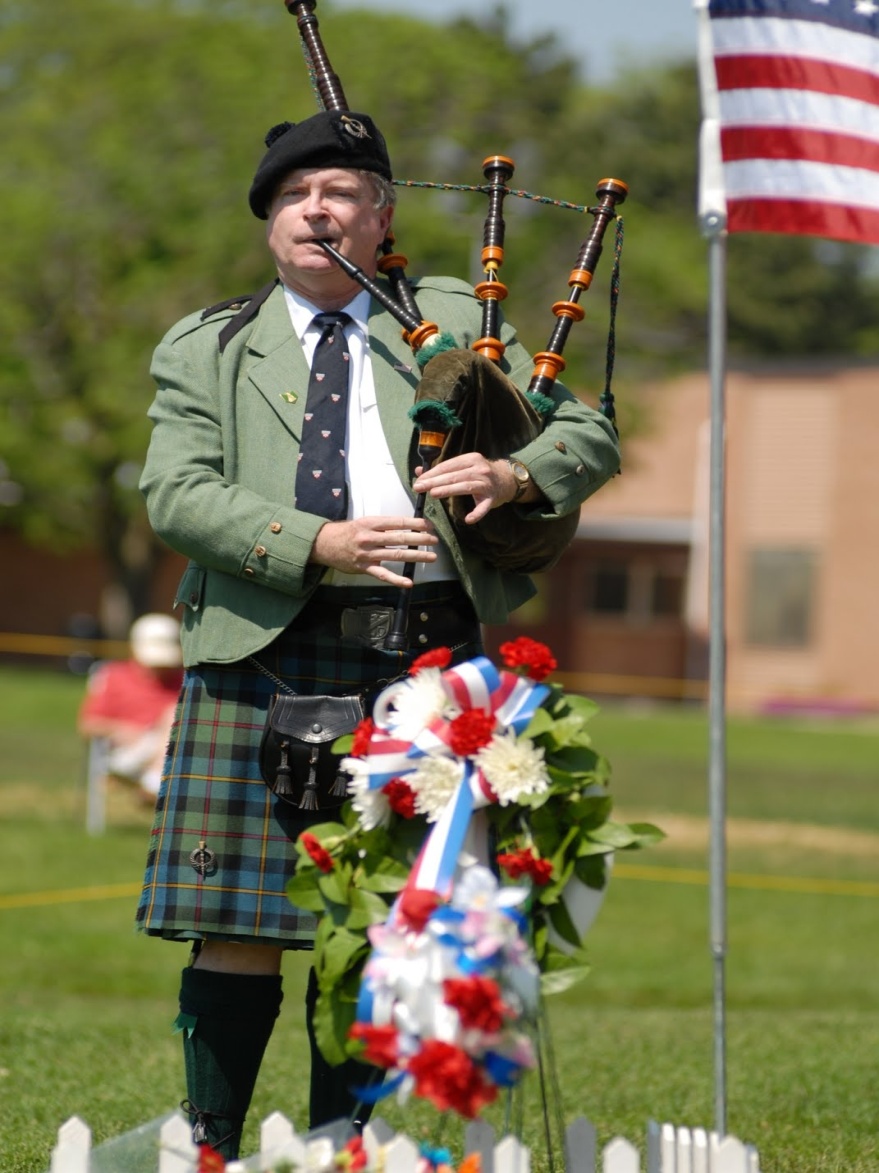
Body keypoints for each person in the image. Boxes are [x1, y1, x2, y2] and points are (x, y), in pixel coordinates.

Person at [135, 106, 621, 1159]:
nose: (320, 210)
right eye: (297, 195)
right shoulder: (210, 344)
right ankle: (211, 1142)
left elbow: (585, 428)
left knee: (394, 920)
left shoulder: (452, 319)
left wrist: (514, 470)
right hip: (269, 650)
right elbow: (175, 495)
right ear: (271, 220)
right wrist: (319, 541)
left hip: (428, 660)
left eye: (343, 193)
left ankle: (345, 1143)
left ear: (382, 216)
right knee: (244, 923)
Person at [78, 612, 183, 801]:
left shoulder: (185, 680)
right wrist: (120, 729)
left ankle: (154, 783)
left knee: (173, 716)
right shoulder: (113, 676)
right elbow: (87, 726)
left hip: (174, 749)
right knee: (173, 716)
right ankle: (155, 784)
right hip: (127, 753)